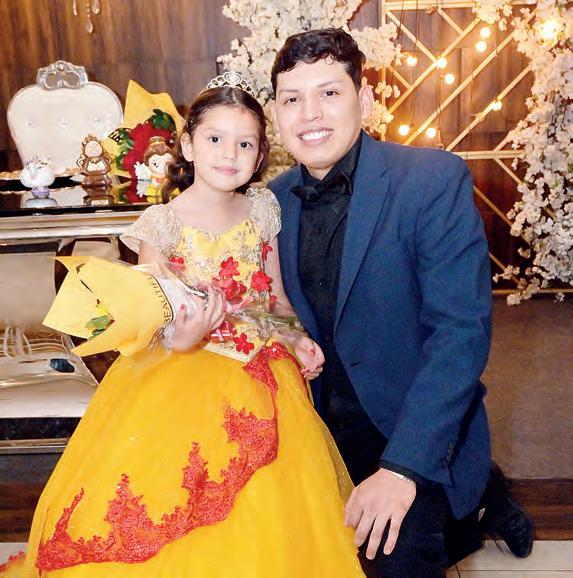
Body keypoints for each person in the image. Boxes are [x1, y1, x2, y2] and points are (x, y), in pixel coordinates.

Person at [1, 77, 366, 578]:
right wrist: (186, 337)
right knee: (175, 497)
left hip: (260, 371)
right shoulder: (163, 223)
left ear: (260, 156)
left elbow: (271, 299)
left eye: (245, 143)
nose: (229, 153)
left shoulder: (263, 210)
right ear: (189, 145)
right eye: (215, 138)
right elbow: (151, 321)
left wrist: (294, 336)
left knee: (272, 506)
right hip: (181, 372)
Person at [268, 28, 533, 578]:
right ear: (275, 114)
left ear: (365, 101)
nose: (309, 114)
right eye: (292, 99)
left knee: (391, 561)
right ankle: (480, 496)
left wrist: (402, 469)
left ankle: (479, 494)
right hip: (319, 430)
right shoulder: (268, 203)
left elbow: (460, 334)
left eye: (329, 93)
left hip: (408, 423)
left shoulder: (431, 180)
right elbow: (268, 307)